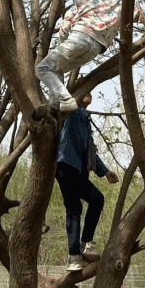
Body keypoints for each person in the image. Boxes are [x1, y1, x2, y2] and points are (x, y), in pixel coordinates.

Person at [36, 0, 145, 112]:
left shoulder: (80, 4)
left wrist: (64, 44)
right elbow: (141, 12)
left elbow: (64, 28)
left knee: (43, 68)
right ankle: (55, 105)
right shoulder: (114, 6)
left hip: (79, 38)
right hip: (96, 48)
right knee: (58, 68)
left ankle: (65, 99)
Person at [56, 92, 119, 271]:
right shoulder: (73, 112)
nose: (88, 93)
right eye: (85, 90)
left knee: (77, 208)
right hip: (67, 167)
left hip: (71, 170)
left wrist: (105, 172)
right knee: (92, 201)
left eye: (90, 91)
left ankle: (76, 255)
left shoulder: (85, 120)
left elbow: (90, 150)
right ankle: (84, 246)